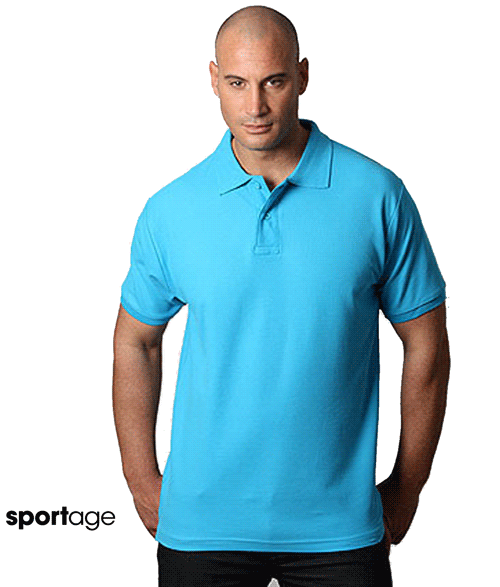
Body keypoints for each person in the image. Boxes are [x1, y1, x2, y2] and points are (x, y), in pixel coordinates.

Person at [112, 5, 450, 586]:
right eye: (237, 83)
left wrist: (408, 485)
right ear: (213, 79)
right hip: (203, 528)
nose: (255, 106)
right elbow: (135, 342)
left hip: (339, 530)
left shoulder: (377, 194)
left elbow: (427, 343)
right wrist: (141, 481)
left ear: (303, 76)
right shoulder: (171, 209)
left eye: (273, 81)